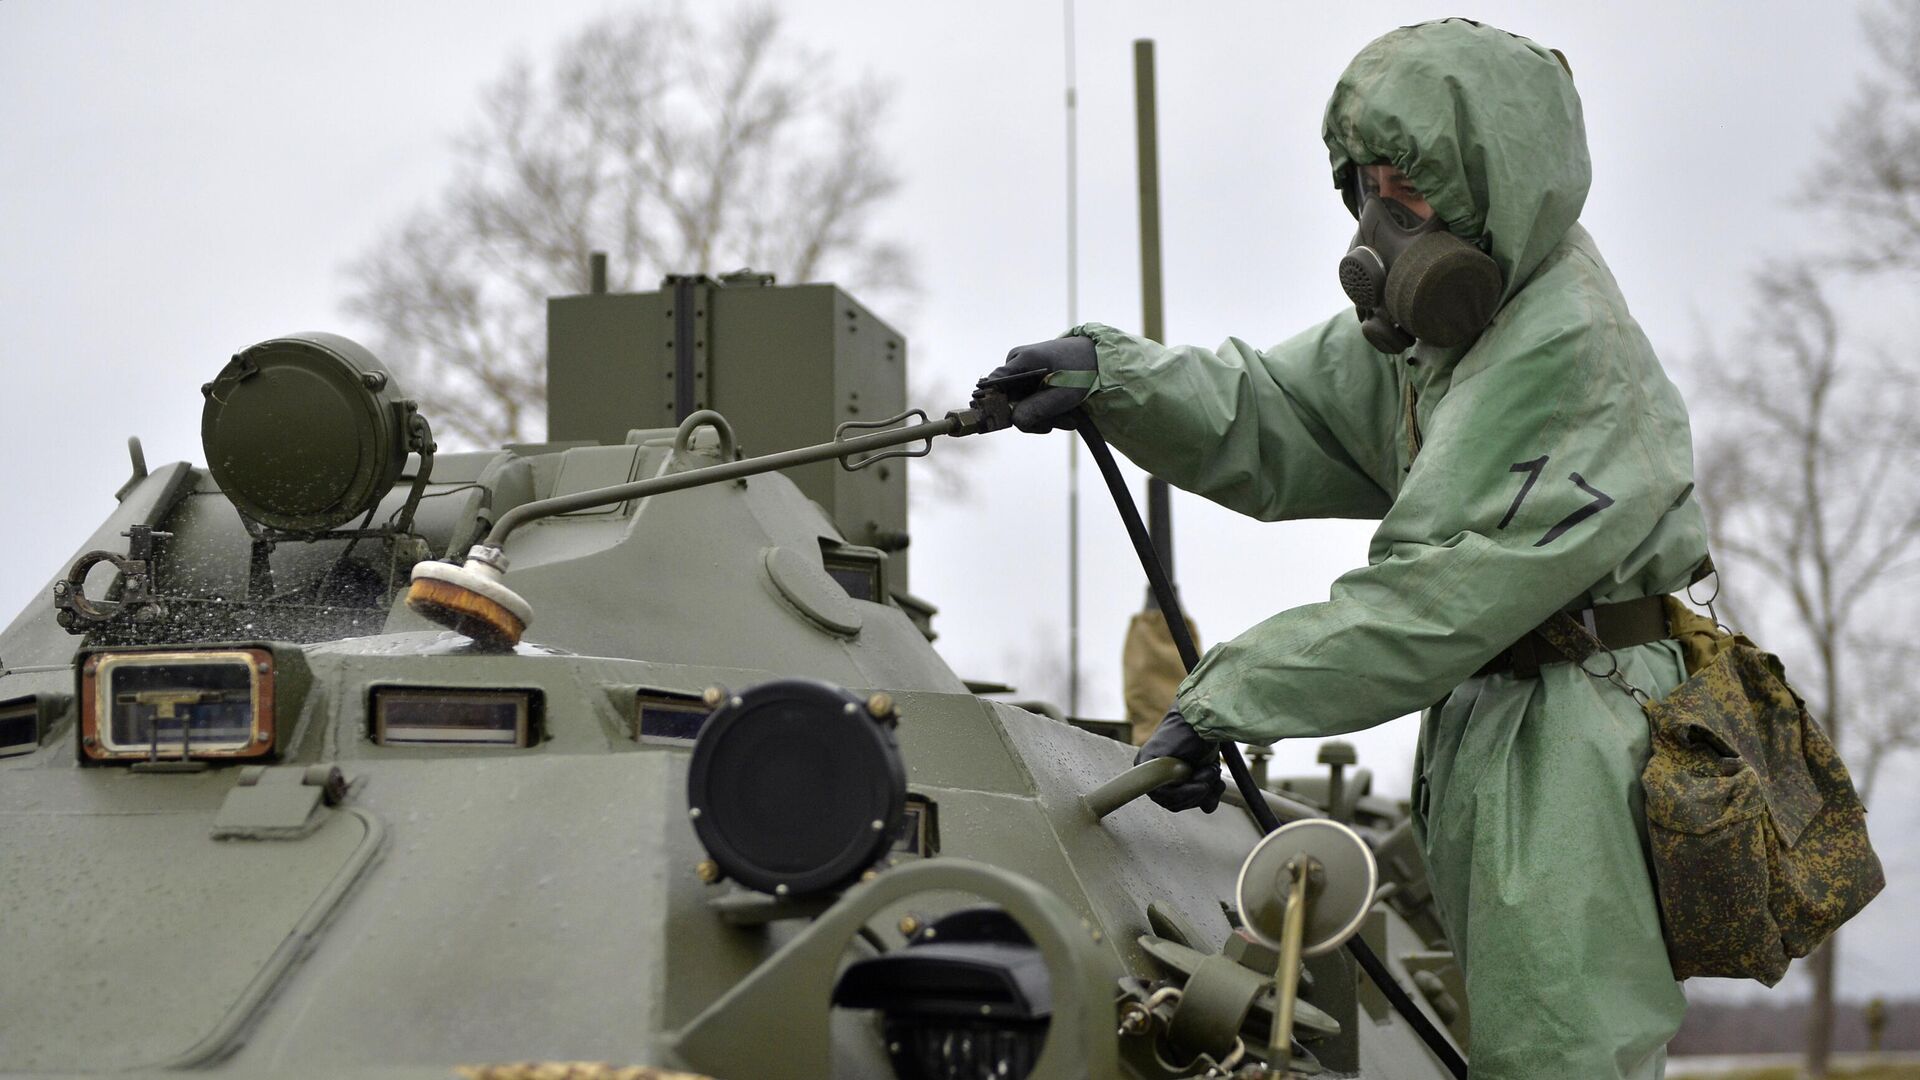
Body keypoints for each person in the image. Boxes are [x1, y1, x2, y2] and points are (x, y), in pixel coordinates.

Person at [978, 19, 1706, 1080]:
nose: (1376, 227)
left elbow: (1432, 597)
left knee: (1563, 1055)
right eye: (1361, 187)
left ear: (1490, 189)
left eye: (1403, 194)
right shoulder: (1450, 332)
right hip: (1501, 711)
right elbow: (1272, 411)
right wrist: (1113, 376)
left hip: (1570, 722)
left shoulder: (1561, 348)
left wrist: (1223, 697)